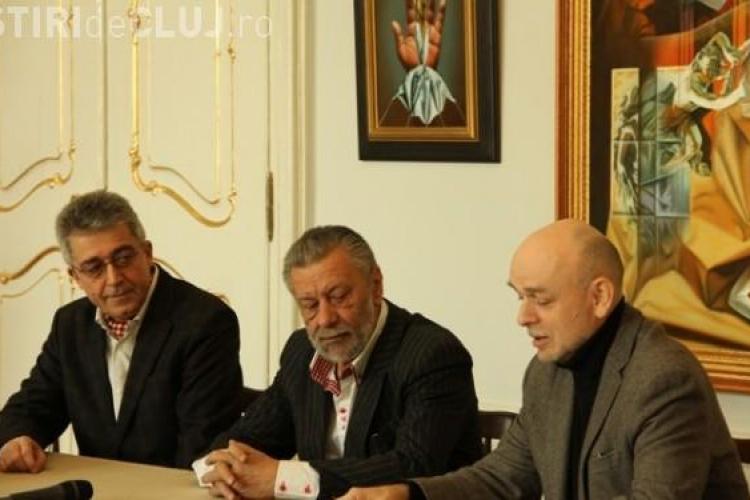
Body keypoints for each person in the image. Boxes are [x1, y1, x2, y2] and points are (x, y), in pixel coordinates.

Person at [340, 219, 749, 500]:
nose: (522, 316)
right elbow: (503, 477)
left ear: (600, 297)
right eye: (520, 296)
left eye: (541, 299)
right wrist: (408, 493)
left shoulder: (663, 379)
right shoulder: (546, 370)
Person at [196, 225, 481, 499]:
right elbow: (245, 440)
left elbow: (414, 466)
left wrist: (283, 478)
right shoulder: (302, 351)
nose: (325, 319)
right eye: (309, 305)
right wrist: (224, 469)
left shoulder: (431, 355)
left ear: (376, 285)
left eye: (339, 297)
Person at [0, 190, 243, 472]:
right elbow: (32, 406)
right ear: (75, 276)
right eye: (94, 268)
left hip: (171, 488)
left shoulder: (205, 321)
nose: (114, 279)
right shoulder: (70, 324)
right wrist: (19, 438)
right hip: (96, 486)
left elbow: (202, 446)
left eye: (124, 258)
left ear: (147, 253)